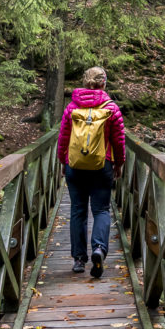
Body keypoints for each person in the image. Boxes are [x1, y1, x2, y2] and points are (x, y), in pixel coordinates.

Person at [56, 66, 125, 278]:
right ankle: (99, 249)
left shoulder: (71, 108)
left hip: (75, 166)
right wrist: (119, 164)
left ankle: (78, 259)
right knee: (101, 210)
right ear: (103, 83)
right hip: (101, 165)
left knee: (77, 210)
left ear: (85, 83)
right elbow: (119, 141)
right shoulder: (111, 108)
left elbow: (63, 139)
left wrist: (62, 162)